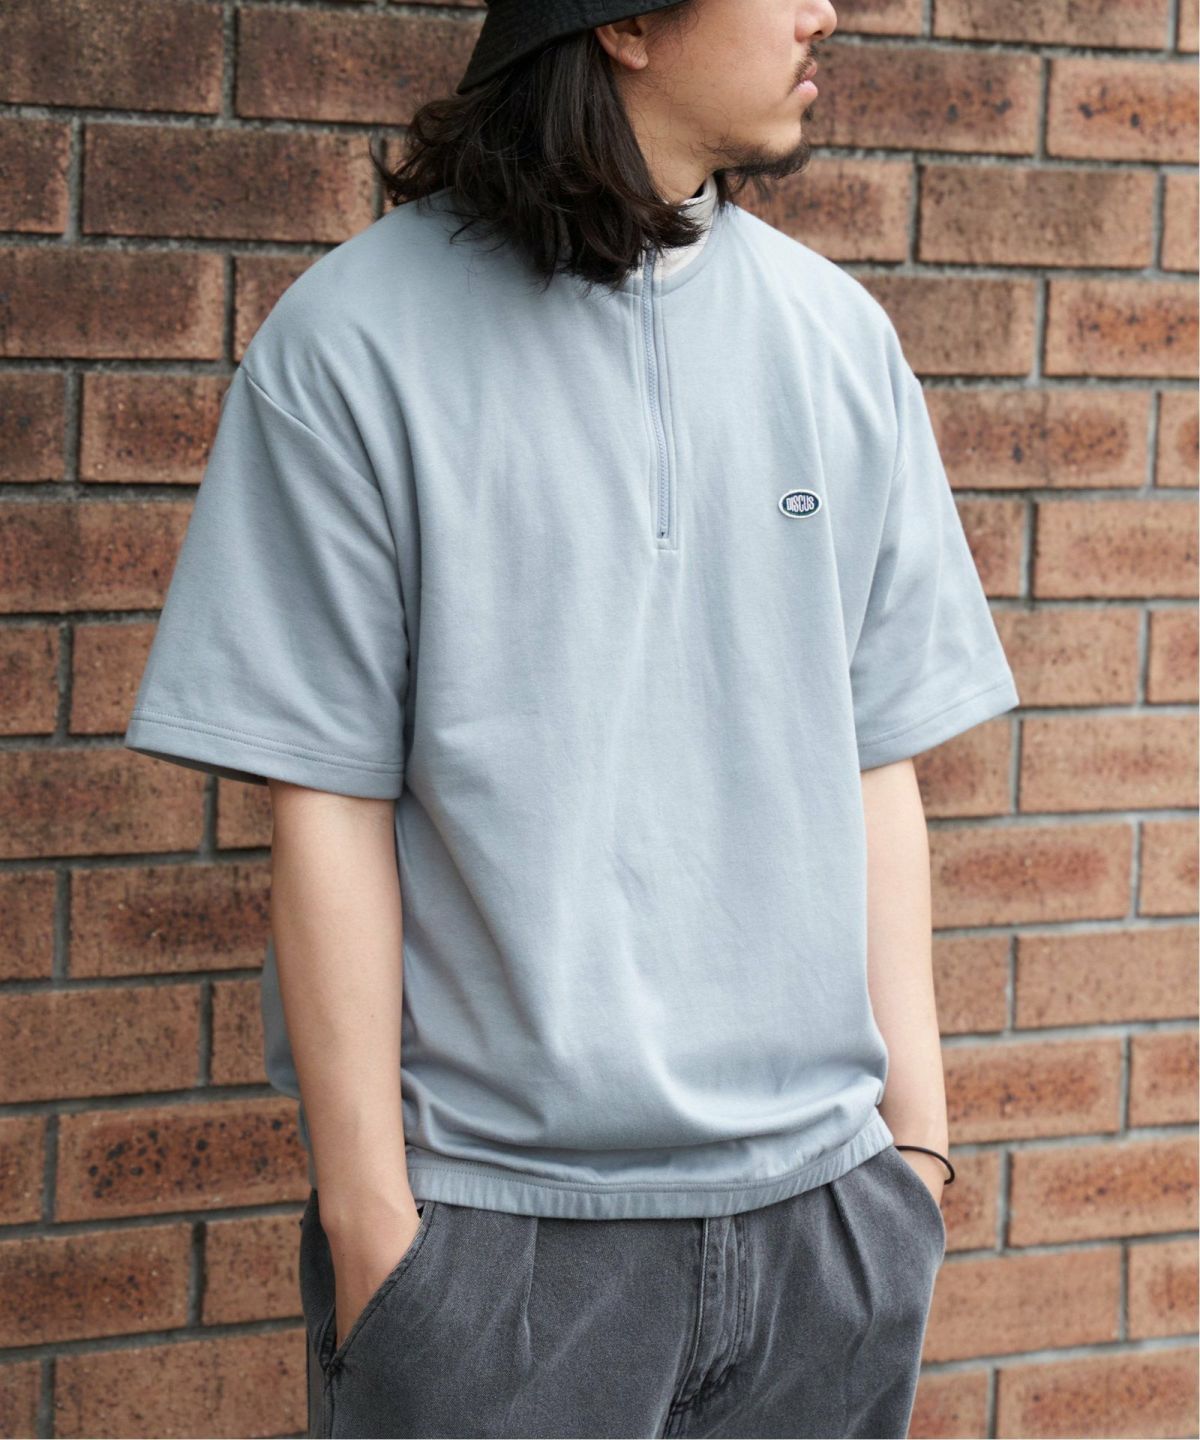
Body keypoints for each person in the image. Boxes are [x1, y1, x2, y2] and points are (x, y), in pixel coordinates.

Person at [123, 1, 1020, 1435]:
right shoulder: (353, 344)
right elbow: (325, 802)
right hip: (498, 1251)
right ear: (626, 25)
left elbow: (875, 765)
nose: (824, 11)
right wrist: (377, 1232)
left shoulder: (839, 340)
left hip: (825, 1233)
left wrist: (913, 1159)